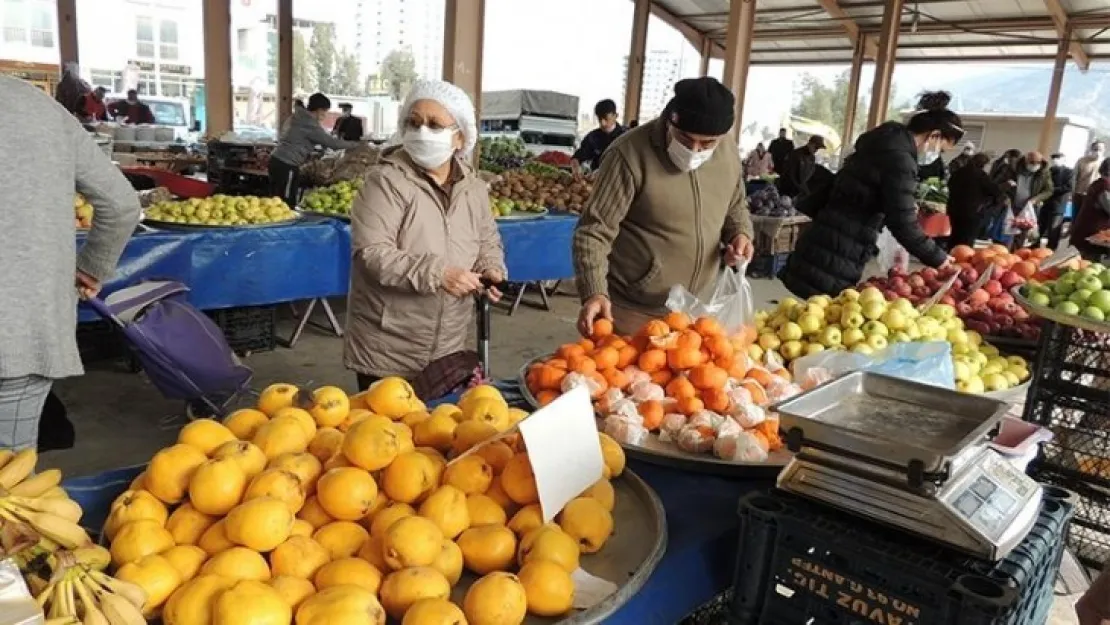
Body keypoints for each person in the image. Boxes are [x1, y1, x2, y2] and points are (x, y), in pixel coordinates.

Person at [0, 76, 141, 451]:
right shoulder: (40, 108)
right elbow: (122, 205)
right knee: (11, 491)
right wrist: (92, 267)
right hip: (22, 335)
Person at [345, 80, 506, 389]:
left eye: (434, 125)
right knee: (385, 432)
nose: (422, 132)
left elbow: (487, 237)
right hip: (389, 344)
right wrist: (439, 274)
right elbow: (372, 253)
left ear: (460, 137)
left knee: (437, 430)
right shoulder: (385, 182)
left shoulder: (473, 188)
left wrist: (491, 268)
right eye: (414, 123)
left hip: (448, 344)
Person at [573, 77, 753, 336]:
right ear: (670, 120)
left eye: (707, 144)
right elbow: (593, 232)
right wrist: (594, 292)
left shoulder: (728, 152)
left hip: (698, 308)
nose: (694, 150)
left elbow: (735, 204)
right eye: (685, 138)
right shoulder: (629, 155)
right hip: (633, 310)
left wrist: (740, 234)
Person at [780, 92, 960, 298]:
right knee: (818, 310)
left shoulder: (882, 143)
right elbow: (902, 223)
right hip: (841, 248)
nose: (937, 154)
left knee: (807, 311)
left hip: (826, 235)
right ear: (934, 135)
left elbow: (868, 191)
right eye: (942, 149)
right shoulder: (900, 159)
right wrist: (937, 257)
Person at [269, 93, 362, 208]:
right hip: (287, 164)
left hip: (276, 160)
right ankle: (284, 225)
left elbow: (297, 138)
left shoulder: (297, 117)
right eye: (324, 111)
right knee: (286, 203)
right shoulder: (309, 123)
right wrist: (356, 145)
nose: (325, 115)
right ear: (318, 110)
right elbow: (332, 143)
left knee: (275, 202)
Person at [946, 153, 1005, 248]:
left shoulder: (958, 172)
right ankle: (962, 258)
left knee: (954, 235)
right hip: (972, 211)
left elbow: (949, 185)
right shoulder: (981, 175)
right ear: (984, 164)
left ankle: (950, 253)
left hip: (954, 209)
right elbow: (995, 191)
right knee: (967, 238)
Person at [572, 99, 626, 179]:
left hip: (619, 181)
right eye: (600, 119)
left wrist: (603, 171)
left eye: (606, 119)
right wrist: (575, 166)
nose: (603, 123)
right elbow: (579, 156)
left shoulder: (625, 137)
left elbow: (628, 163)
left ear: (615, 116)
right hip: (595, 181)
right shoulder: (592, 137)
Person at [1070, 158, 1110, 261]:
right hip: (1090, 235)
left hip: (1091, 233)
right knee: (1083, 264)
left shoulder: (1098, 183)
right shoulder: (1104, 186)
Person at [1009, 152, 1054, 226]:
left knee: (1025, 230)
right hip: (1012, 205)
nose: (1035, 165)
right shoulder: (1014, 169)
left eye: (1038, 162)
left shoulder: (1044, 173)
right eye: (1032, 162)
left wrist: (1036, 199)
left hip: (1030, 208)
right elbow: (999, 184)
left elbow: (1049, 190)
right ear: (1025, 161)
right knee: (1009, 229)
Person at [1041, 152, 1074, 248]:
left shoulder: (1069, 172)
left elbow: (1069, 186)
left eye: (1058, 158)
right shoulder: (1049, 171)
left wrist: (1052, 190)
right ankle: (1036, 246)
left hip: (1058, 204)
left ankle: (1051, 249)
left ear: (1063, 159)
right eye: (1054, 158)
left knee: (1054, 229)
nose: (1055, 160)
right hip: (1046, 203)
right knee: (1042, 226)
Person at [1074, 140, 1106, 214]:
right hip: (1080, 194)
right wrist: (1073, 192)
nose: (1098, 151)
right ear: (1091, 149)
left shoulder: (1105, 163)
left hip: (1095, 196)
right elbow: (1074, 178)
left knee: (1088, 220)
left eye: (1101, 149)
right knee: (1075, 219)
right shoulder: (1082, 161)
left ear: (1104, 150)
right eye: (1096, 149)